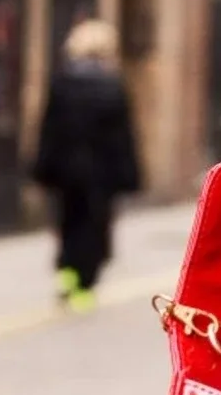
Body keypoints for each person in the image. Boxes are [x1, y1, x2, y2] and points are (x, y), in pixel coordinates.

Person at [33, 18, 141, 312]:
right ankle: (84, 286)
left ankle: (66, 273)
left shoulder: (62, 82)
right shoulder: (112, 86)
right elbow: (122, 137)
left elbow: (48, 129)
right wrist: (128, 175)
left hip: (66, 171)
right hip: (100, 174)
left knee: (67, 223)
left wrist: (43, 167)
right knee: (94, 227)